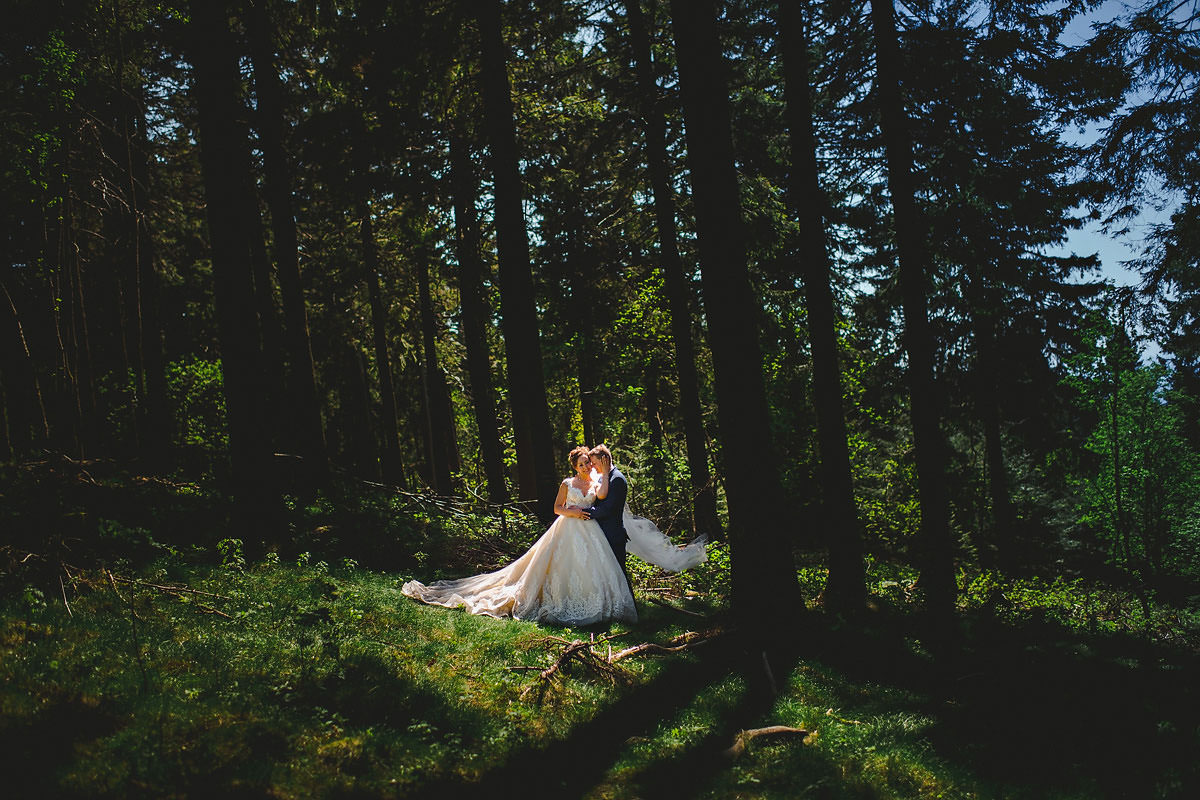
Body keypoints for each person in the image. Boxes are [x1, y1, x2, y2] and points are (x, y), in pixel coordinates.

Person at [401, 447, 637, 627]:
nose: (586, 467)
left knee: (591, 568)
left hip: (590, 532)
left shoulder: (596, 482)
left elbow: (604, 494)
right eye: (582, 464)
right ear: (575, 466)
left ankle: (595, 604)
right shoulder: (568, 483)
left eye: (588, 463)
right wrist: (572, 511)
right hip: (568, 528)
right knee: (559, 566)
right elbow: (557, 509)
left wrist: (604, 472)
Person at [585, 444, 708, 575]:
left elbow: (608, 509)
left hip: (614, 536)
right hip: (603, 534)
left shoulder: (617, 479)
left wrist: (583, 513)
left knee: (619, 577)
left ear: (605, 460)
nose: (592, 466)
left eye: (594, 463)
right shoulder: (603, 477)